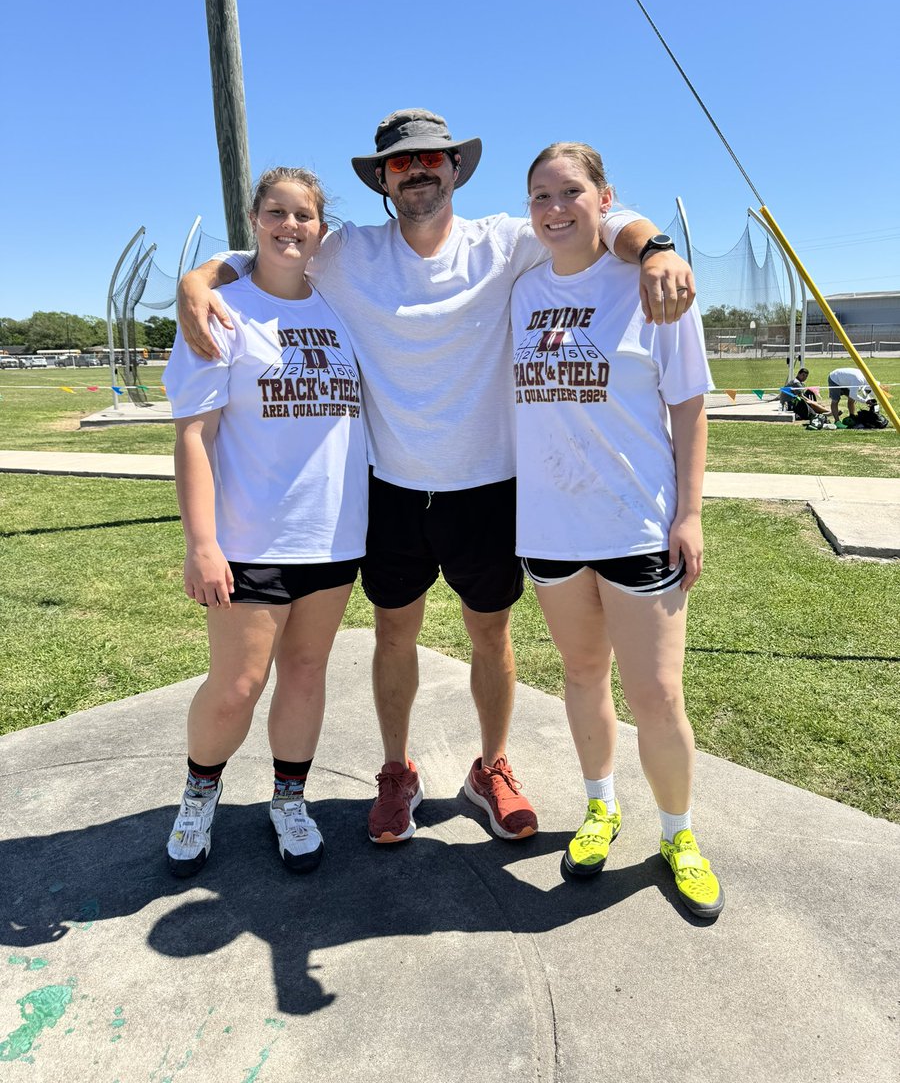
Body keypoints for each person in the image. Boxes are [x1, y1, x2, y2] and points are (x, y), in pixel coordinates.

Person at [177, 109, 696, 849]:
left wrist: (658, 250)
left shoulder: (507, 241)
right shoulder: (345, 251)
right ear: (382, 178)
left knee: (492, 634)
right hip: (392, 488)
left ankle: (492, 766)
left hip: (487, 486)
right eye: (399, 163)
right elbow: (268, 248)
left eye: (432, 159)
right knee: (395, 634)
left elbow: (598, 217)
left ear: (455, 168)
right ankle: (397, 772)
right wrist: (199, 277)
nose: (417, 171)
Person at [511, 142, 724, 917]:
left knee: (658, 694)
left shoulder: (652, 288)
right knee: (580, 676)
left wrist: (689, 512)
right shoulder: (521, 290)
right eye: (541, 195)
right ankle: (601, 808)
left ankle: (678, 835)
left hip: (636, 524)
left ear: (606, 198)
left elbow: (689, 405)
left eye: (571, 191)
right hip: (550, 529)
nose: (555, 208)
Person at [163, 168, 367, 876]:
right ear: (252, 221)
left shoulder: (342, 305)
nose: (289, 225)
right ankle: (198, 794)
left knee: (307, 674)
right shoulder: (221, 310)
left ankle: (289, 799)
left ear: (321, 227)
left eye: (303, 215)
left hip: (334, 534)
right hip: (249, 536)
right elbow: (194, 435)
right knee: (238, 684)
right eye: (275, 212)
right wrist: (202, 543)